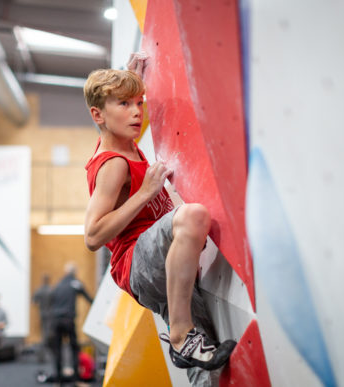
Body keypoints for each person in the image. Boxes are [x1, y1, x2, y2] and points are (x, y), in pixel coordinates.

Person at [82, 57, 236, 385]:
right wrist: (145, 194)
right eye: (124, 104)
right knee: (192, 215)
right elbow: (92, 236)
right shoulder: (114, 164)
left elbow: (118, 114)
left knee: (210, 371)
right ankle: (180, 334)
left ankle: (186, 339)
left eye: (139, 103)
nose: (137, 111)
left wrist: (130, 82)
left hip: (159, 271)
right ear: (98, 115)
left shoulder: (122, 143)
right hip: (137, 261)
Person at [49, 262, 93, 382]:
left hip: (56, 320)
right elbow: (87, 297)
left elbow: (51, 301)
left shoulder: (58, 284)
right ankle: (75, 380)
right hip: (68, 319)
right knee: (74, 349)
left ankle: (58, 379)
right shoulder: (75, 283)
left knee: (57, 349)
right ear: (74, 272)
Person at [32, 273, 53, 361]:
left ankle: (42, 355)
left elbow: (33, 301)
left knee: (44, 334)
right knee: (48, 335)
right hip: (50, 315)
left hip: (42, 314)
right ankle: (45, 355)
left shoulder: (39, 290)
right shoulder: (51, 290)